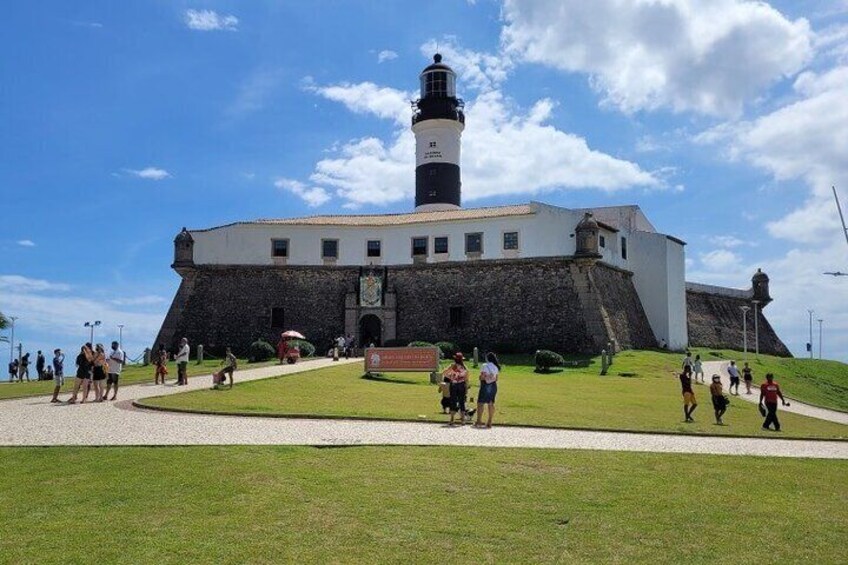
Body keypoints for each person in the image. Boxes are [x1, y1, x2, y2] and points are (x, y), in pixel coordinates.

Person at [475, 352, 501, 428]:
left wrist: (480, 377)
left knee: (480, 403)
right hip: (493, 385)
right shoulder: (496, 367)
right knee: (491, 403)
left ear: (487, 358)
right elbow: (496, 378)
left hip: (485, 385)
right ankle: (489, 421)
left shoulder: (484, 365)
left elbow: (482, 377)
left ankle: (479, 421)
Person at [442, 353, 469, 426]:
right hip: (461, 385)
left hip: (453, 384)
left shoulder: (452, 366)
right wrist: (466, 388)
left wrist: (451, 377)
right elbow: (466, 379)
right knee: (461, 402)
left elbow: (444, 373)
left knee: (453, 402)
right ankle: (463, 420)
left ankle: (452, 419)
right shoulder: (464, 367)